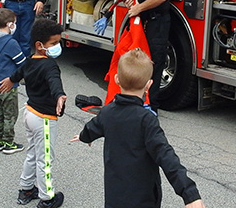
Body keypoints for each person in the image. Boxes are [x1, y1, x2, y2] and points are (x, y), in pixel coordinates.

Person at [71, 48, 205, 208]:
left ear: (116, 79)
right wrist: (189, 193)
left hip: (115, 196)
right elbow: (166, 155)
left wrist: (84, 137)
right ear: (149, 85)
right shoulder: (147, 120)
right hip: (143, 198)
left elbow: (93, 128)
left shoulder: (107, 112)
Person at [0, 18, 67, 208]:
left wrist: (11, 80)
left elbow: (19, 72)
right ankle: (47, 198)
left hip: (29, 114)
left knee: (33, 153)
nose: (57, 46)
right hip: (44, 118)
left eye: (58, 42)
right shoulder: (50, 65)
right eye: (53, 43)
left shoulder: (30, 60)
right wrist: (60, 95)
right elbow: (54, 82)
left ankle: (26, 188)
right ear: (40, 45)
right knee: (45, 158)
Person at [105, 0, 170, 113]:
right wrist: (132, 2)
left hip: (158, 22)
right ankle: (139, 101)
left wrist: (139, 8)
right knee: (139, 61)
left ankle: (151, 107)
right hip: (145, 22)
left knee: (152, 64)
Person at [0, 8, 26, 154]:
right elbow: (22, 63)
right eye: (14, 23)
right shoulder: (11, 43)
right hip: (8, 83)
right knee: (10, 113)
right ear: (10, 24)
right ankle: (9, 143)